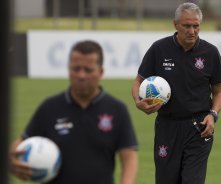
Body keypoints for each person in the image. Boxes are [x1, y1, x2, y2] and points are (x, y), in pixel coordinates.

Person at [10, 40, 138, 184]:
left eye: (88, 70)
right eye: (76, 69)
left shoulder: (117, 109)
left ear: (101, 72)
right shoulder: (50, 107)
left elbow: (129, 157)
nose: (81, 75)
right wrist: (10, 159)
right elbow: (21, 144)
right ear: (69, 69)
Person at [132, 2, 221, 184]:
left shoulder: (211, 52)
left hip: (199, 128)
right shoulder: (159, 49)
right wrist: (137, 101)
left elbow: (219, 92)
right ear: (175, 25)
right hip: (167, 127)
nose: (192, 30)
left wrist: (213, 115)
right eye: (186, 26)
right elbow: (138, 82)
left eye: (196, 26)